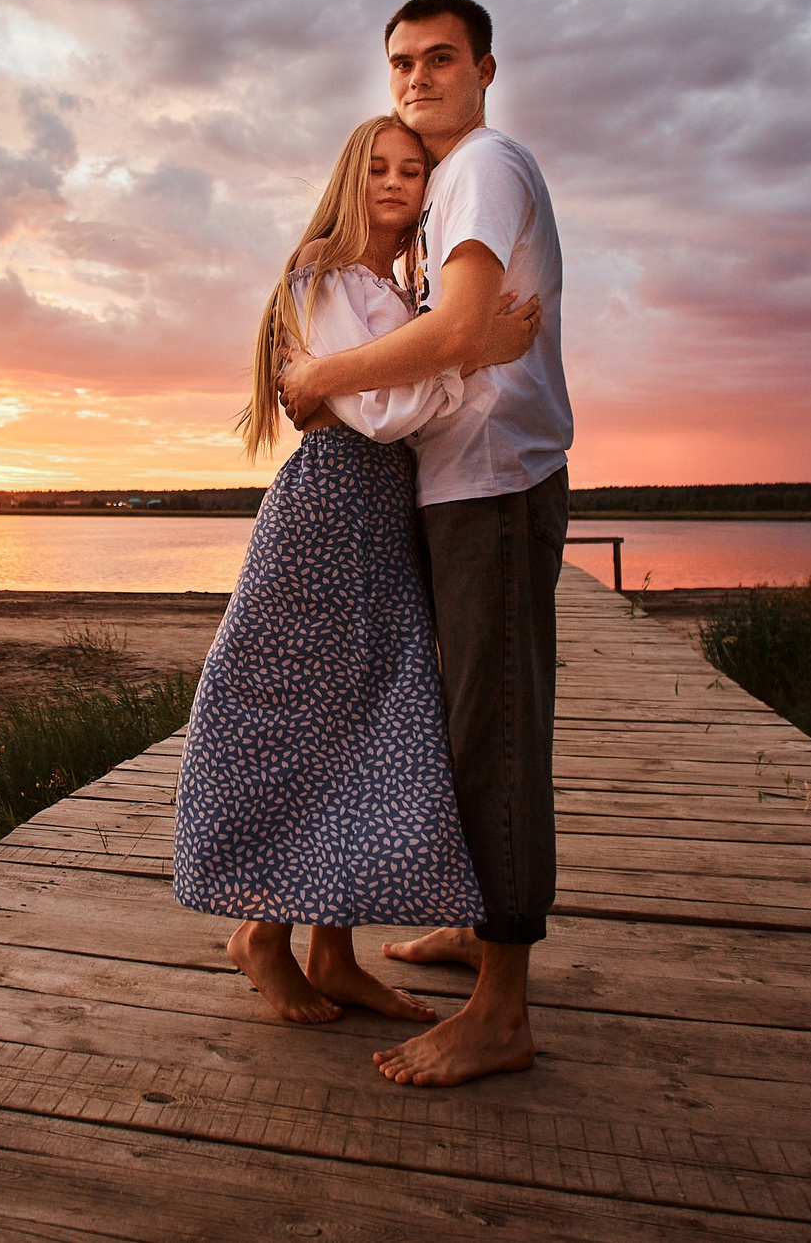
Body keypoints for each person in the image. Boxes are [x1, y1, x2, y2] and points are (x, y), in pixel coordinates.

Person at [173, 113, 540, 1027]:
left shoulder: (396, 287)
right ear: (349, 176)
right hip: (332, 513)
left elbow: (374, 391)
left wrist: (428, 349)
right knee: (307, 718)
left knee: (368, 723)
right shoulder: (324, 276)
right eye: (376, 166)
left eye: (411, 170)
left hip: (384, 519)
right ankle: (262, 933)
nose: (394, 182)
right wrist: (468, 348)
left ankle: (331, 953)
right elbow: (378, 411)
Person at [280, 0, 571, 1087]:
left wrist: (311, 378)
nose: (416, 76)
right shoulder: (443, 184)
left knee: (492, 731)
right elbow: (434, 338)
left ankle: (501, 1007)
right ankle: (466, 916)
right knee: (452, 716)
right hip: (454, 487)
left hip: (493, 484)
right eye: (400, 61)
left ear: (486, 67)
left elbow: (454, 335)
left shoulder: (485, 164)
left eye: (439, 58)